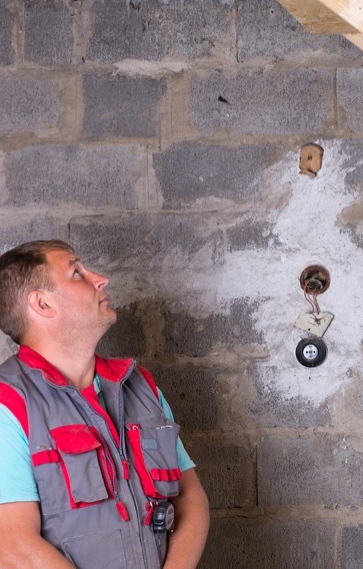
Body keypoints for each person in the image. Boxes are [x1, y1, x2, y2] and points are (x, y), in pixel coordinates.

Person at [0, 240, 209, 569]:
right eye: (77, 273)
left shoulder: (139, 385)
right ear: (41, 303)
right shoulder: (8, 404)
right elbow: (13, 546)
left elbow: (190, 498)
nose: (100, 279)